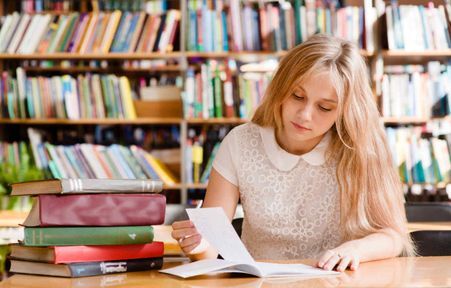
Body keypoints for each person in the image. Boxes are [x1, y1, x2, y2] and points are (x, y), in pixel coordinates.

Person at [172, 34, 416, 272]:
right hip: (258, 283)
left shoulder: (362, 149)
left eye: (324, 107)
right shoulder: (240, 142)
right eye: (297, 96)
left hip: (333, 282)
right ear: (280, 89)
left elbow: (394, 236)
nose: (305, 115)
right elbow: (210, 249)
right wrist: (197, 245)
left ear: (345, 112)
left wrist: (355, 249)